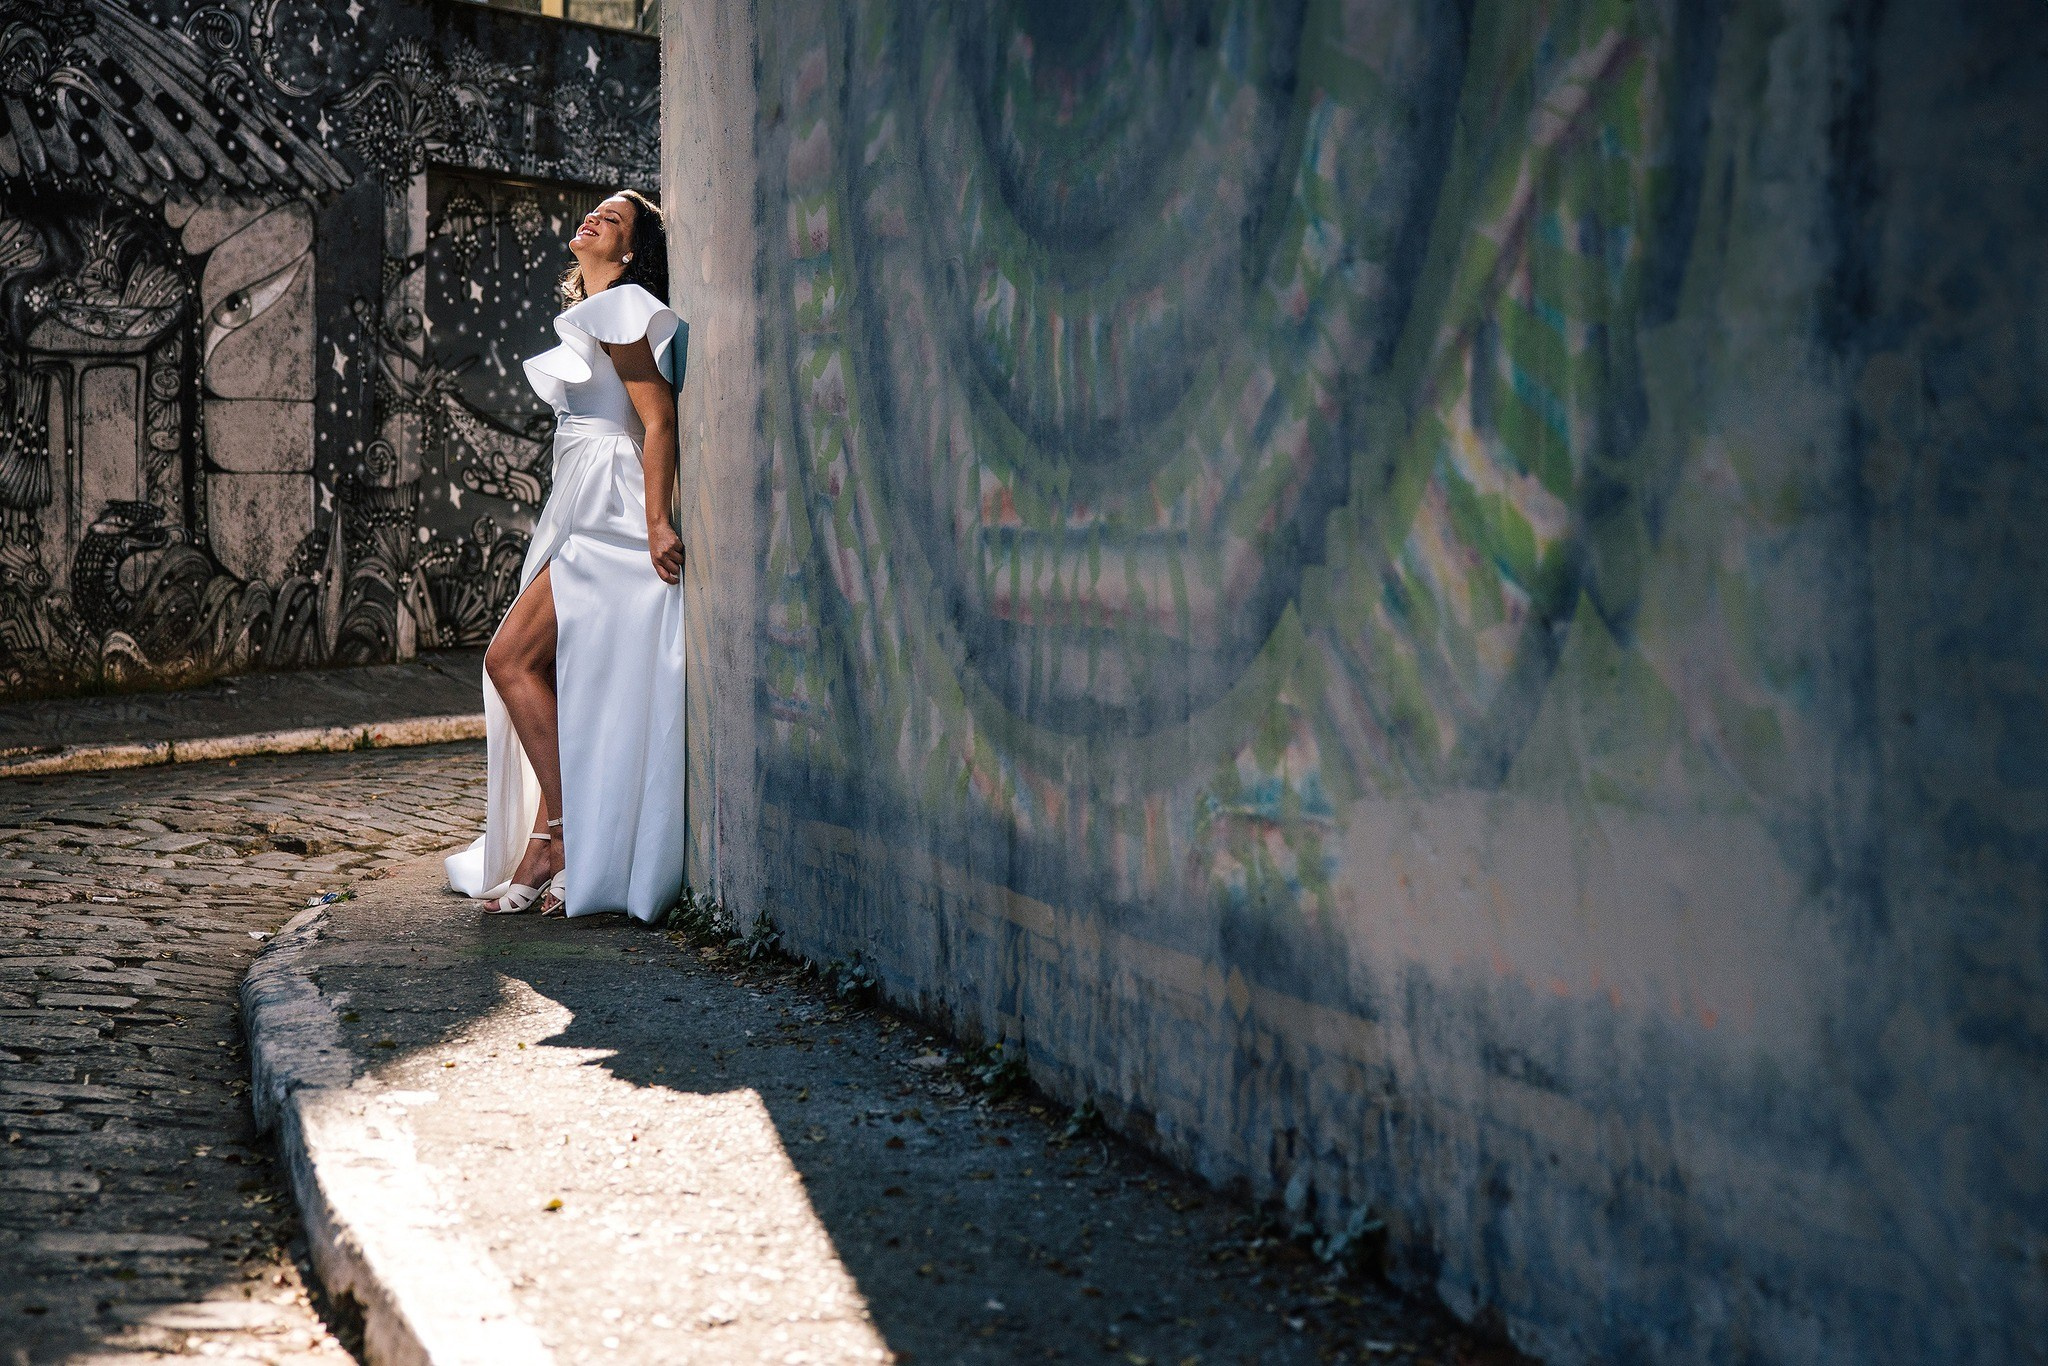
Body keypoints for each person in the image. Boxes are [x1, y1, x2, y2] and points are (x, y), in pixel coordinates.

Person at [445, 189, 686, 921]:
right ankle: (553, 840)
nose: (594, 220)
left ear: (629, 251)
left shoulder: (620, 306)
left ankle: (560, 838)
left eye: (613, 220)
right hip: (579, 499)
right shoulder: (596, 308)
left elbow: (658, 419)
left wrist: (656, 523)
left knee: (510, 658)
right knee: (547, 670)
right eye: (594, 212)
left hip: (608, 507)